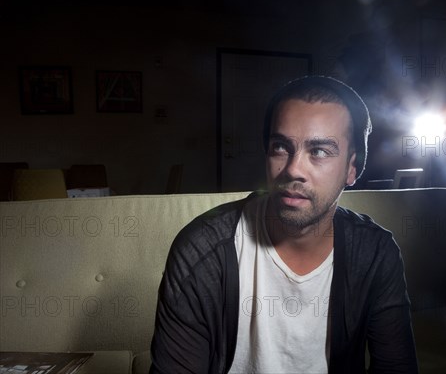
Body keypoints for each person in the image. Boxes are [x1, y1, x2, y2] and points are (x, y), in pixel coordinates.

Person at [150, 76, 418, 373]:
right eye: (280, 147)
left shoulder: (374, 253)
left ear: (352, 167)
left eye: (319, 151)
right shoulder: (202, 250)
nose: (293, 169)